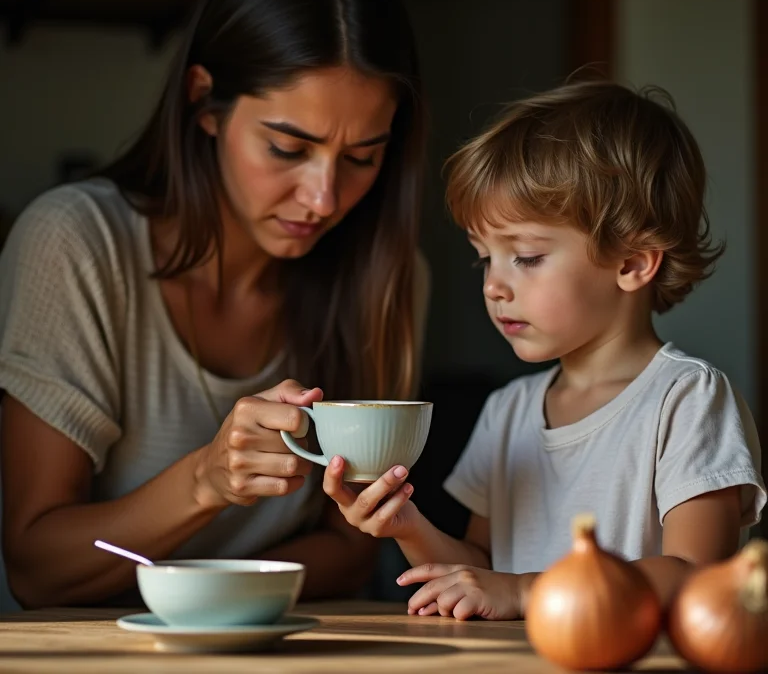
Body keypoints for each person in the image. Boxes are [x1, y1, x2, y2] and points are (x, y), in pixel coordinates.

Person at [0, 0, 429, 609]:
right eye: (288, 148)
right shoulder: (77, 243)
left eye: (361, 157)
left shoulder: (386, 274)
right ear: (205, 102)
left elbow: (353, 546)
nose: (324, 199)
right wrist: (205, 480)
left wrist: (216, 600)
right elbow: (36, 569)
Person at [324, 80, 766, 620]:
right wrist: (407, 526)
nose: (493, 286)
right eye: (484, 257)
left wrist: (525, 592)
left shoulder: (687, 399)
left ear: (632, 263)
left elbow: (697, 574)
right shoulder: (507, 411)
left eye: (527, 257)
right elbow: (483, 570)